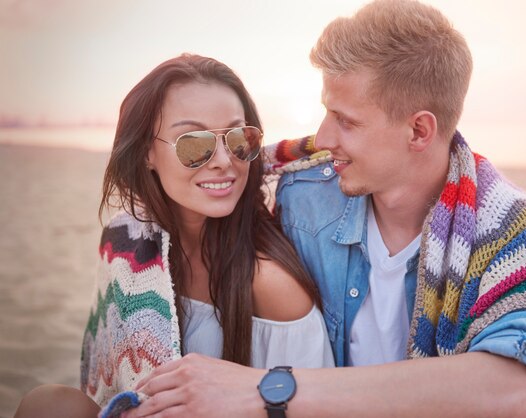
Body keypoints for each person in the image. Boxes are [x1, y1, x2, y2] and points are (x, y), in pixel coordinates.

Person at [122, 1, 526, 417]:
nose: (323, 138)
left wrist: (266, 390)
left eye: (346, 121)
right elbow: (213, 184)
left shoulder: (521, 232)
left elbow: (515, 387)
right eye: (327, 113)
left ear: (419, 131)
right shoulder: (301, 194)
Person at [13, 54, 333, 418]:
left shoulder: (268, 283)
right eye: (192, 143)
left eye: (238, 138)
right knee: (50, 404)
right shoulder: (128, 243)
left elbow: (310, 405)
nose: (224, 161)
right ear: (147, 152)